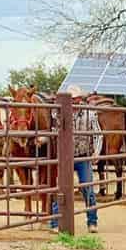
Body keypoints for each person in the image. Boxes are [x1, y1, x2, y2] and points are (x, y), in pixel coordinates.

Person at [50, 86, 101, 232]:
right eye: (71, 99)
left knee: (88, 188)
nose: (74, 102)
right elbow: (54, 132)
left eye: (75, 99)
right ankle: (55, 223)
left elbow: (98, 133)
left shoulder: (89, 113)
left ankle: (92, 222)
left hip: (83, 156)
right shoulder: (58, 113)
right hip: (65, 157)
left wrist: (96, 152)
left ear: (80, 99)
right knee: (62, 189)